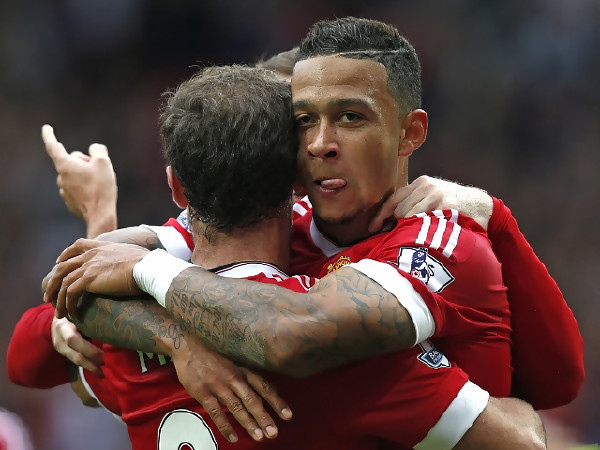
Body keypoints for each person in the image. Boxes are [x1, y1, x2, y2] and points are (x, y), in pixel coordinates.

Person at [45, 63, 549, 449]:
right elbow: (521, 440)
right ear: (297, 180)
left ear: (176, 187)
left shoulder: (124, 325)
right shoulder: (336, 343)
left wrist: (168, 326)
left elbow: (54, 356)